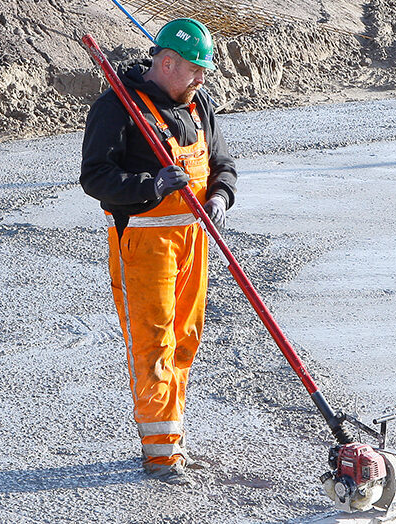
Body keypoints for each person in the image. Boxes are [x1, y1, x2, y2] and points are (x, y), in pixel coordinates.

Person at [80, 18, 237, 485]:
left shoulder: (199, 104)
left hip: (194, 243)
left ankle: (175, 438)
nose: (201, 79)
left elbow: (224, 163)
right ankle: (160, 454)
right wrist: (151, 185)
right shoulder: (117, 108)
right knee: (154, 344)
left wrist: (220, 196)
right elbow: (95, 177)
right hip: (144, 245)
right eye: (194, 70)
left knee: (186, 339)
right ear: (166, 62)